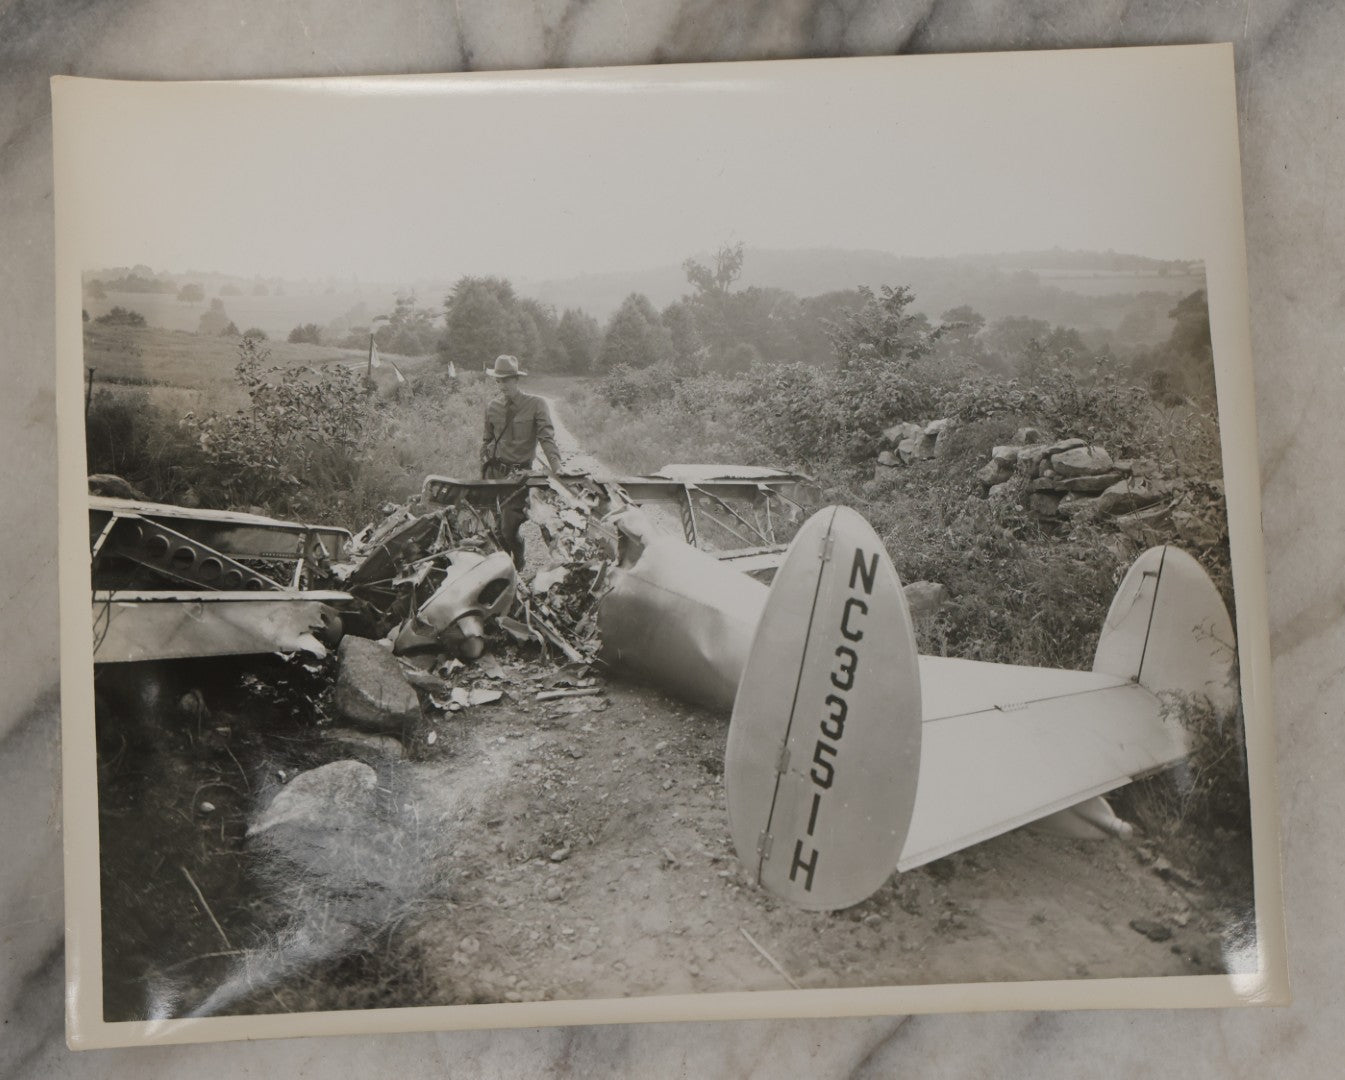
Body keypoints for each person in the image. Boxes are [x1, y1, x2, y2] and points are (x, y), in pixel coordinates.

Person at [480, 354, 564, 567]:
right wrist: (484, 462)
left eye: (506, 379)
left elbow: (547, 438)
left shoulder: (536, 405)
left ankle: (518, 561)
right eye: (498, 380)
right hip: (494, 474)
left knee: (508, 528)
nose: (502, 384)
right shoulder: (492, 407)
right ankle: (505, 569)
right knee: (494, 529)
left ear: (516, 379)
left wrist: (558, 468)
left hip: (519, 477)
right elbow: (487, 440)